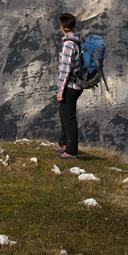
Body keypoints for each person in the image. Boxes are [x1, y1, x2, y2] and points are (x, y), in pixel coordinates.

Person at [55, 12, 83, 159]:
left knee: (69, 118)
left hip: (70, 86)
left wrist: (60, 90)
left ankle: (71, 151)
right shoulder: (77, 39)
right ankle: (64, 143)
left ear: (63, 27)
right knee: (64, 114)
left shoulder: (68, 44)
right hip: (75, 84)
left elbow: (65, 69)